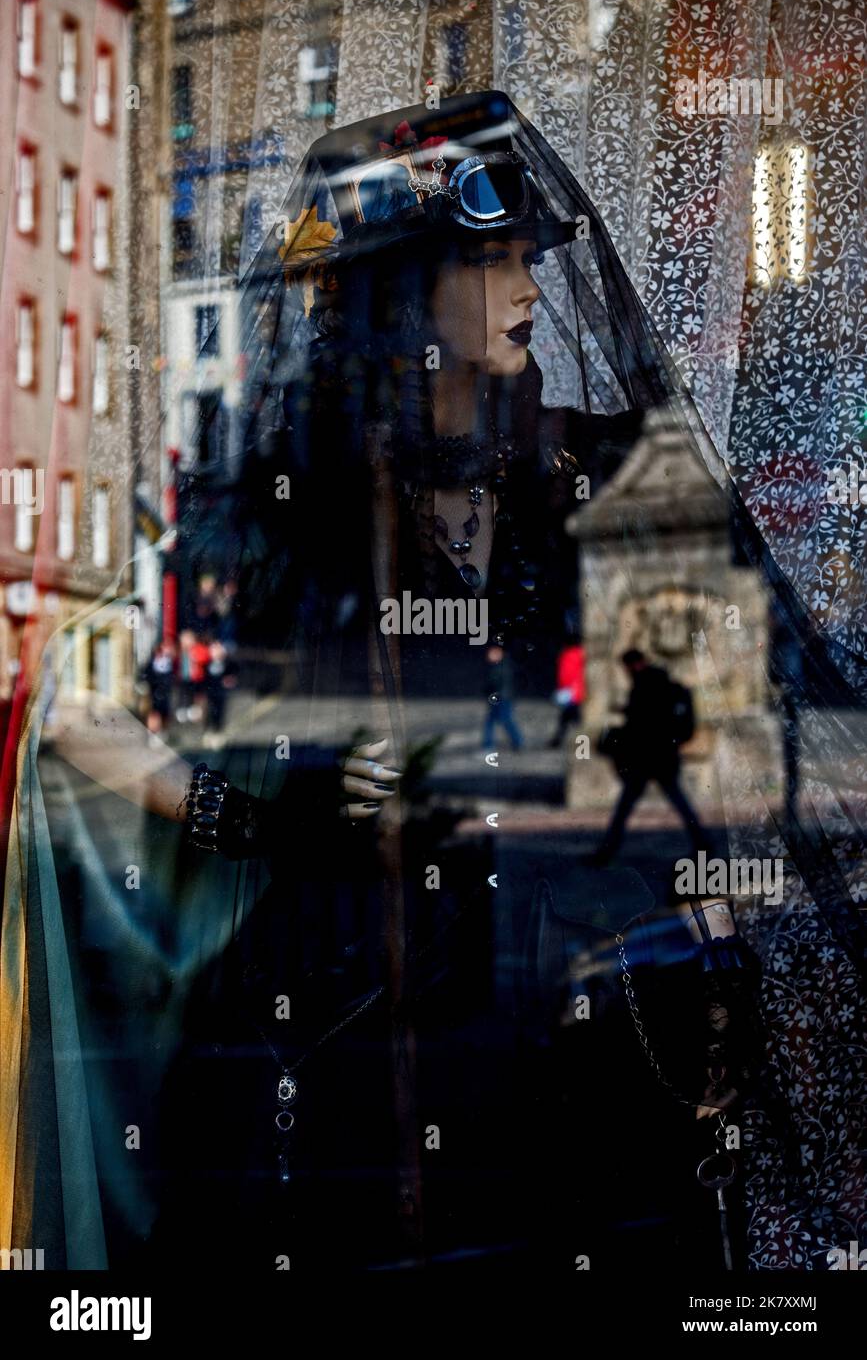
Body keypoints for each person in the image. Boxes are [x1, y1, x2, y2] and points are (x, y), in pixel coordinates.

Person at [4, 91, 861, 1275]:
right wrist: (250, 813)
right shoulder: (283, 500)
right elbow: (75, 701)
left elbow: (696, 728)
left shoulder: (591, 465)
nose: (527, 290)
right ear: (402, 290)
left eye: (529, 257)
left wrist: (709, 923)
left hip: (591, 1018)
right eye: (490, 259)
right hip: (367, 1032)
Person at [591, 648, 709, 864]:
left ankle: (606, 852)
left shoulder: (643, 685)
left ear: (633, 664)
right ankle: (703, 843)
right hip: (663, 757)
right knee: (677, 803)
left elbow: (640, 724)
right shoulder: (662, 683)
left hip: (647, 758)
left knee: (626, 806)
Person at [482, 645, 523, 751]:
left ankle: (517, 742)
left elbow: (500, 683)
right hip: (499, 698)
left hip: (503, 698)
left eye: (493, 653)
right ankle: (488, 745)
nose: (490, 655)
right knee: (491, 721)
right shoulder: (496, 665)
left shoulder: (503, 665)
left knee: (505, 720)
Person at [548, 635, 585, 747]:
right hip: (577, 691)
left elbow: (565, 676)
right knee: (569, 718)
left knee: (570, 718)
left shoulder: (568, 655)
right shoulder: (580, 654)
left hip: (571, 692)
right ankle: (557, 741)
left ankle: (557, 741)